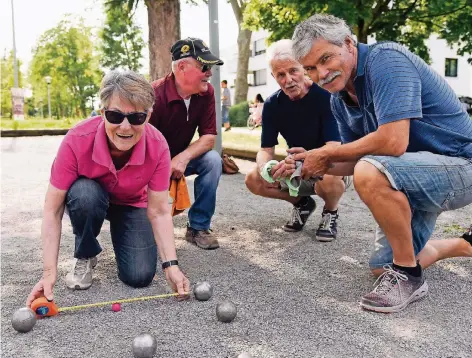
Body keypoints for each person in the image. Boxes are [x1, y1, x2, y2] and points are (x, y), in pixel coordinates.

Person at [291, 14, 472, 313]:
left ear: (349, 43)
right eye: (310, 68)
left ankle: (409, 276)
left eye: (325, 59)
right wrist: (305, 164)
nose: (320, 74)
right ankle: (464, 245)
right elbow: (352, 159)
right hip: (412, 171)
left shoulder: (386, 60)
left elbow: (392, 142)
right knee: (380, 268)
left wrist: (327, 153)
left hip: (461, 164)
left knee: (372, 171)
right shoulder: (339, 99)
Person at [26, 70, 190, 307]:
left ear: (148, 116)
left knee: (140, 276)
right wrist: (48, 273)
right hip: (90, 199)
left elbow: (159, 211)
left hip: (133, 204)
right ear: (102, 113)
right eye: (115, 115)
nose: (125, 127)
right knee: (84, 194)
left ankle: (124, 239)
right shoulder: (77, 139)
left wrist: (171, 266)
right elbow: (52, 211)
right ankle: (85, 253)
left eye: (136, 117)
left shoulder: (158, 146)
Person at [245, 39, 349, 241]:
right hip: (297, 168)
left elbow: (334, 148)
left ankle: (330, 211)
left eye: (293, 71)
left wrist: (304, 159)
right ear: (274, 77)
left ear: (304, 68)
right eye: (280, 75)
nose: (288, 80)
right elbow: (266, 149)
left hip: (332, 164)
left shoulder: (326, 97)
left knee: (327, 177)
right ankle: (302, 203)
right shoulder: (272, 104)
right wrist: (267, 168)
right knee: (254, 179)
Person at [149, 37, 224, 250]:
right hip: (152, 162)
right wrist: (164, 166)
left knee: (212, 161)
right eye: (204, 66)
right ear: (182, 67)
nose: (210, 73)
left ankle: (198, 227)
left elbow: (209, 137)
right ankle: (149, 224)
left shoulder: (206, 93)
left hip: (182, 157)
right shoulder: (153, 95)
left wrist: (182, 158)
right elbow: (141, 146)